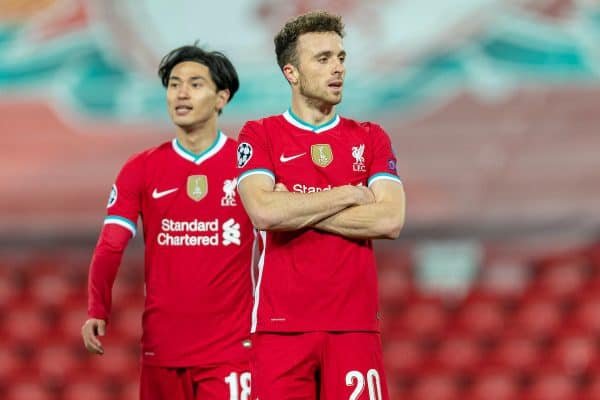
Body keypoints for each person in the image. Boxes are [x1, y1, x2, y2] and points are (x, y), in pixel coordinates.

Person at [236, 10, 405, 400]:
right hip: (280, 327)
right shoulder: (259, 134)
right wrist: (347, 193)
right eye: (323, 58)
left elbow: (390, 219)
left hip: (355, 326)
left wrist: (291, 206)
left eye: (341, 57)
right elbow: (263, 213)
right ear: (291, 73)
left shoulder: (371, 136)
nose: (337, 68)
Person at [81, 45, 254, 400]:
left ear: (222, 97)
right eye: (174, 84)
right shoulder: (140, 168)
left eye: (194, 84)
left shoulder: (249, 167)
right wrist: (98, 307)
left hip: (232, 353)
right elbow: (111, 244)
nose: (181, 93)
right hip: (162, 350)